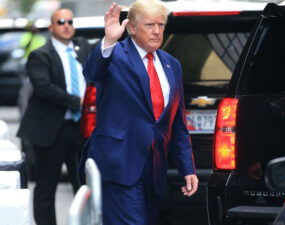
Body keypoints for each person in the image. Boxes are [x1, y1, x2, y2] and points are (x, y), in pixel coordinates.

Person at [80, 0, 198, 224]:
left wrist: (187, 168)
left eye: (161, 25)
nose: (156, 31)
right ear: (132, 28)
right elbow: (92, 72)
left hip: (154, 168)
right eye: (149, 25)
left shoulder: (172, 64)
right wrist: (109, 41)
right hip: (119, 165)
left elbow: (178, 124)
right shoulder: (115, 55)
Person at [17, 8, 91, 225]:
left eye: (69, 21)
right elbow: (43, 87)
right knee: (46, 186)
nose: (66, 25)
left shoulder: (83, 48)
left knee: (85, 185)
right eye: (60, 22)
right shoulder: (40, 55)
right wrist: (78, 101)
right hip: (51, 130)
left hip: (82, 127)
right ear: (52, 27)